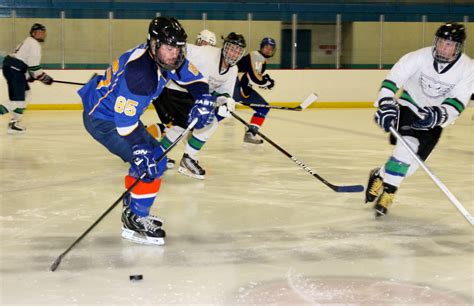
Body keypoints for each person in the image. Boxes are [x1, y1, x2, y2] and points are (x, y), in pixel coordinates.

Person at [78, 17, 215, 245]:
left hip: (118, 116)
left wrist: (203, 98)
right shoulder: (142, 74)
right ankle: (134, 220)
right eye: (170, 48)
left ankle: (133, 206)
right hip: (104, 121)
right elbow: (124, 123)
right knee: (152, 162)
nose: (175, 54)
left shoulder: (167, 57)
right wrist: (140, 149)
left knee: (155, 160)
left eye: (179, 48)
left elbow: (195, 79)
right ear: (154, 44)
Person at [367, 22, 473, 217]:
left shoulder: (467, 69)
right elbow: (393, 80)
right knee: (406, 146)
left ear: (458, 47)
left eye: (449, 44)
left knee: (411, 166)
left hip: (434, 118)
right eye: (441, 42)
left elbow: (458, 101)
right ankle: (389, 193)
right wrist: (386, 104)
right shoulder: (417, 57)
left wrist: (440, 114)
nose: (443, 47)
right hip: (409, 106)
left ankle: (380, 174)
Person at [151, 32, 245, 180]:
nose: (234, 54)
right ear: (225, 47)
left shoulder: (233, 70)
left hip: (188, 96)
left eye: (238, 51)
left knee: (181, 126)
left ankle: (156, 156)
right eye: (232, 49)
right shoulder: (207, 53)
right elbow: (181, 48)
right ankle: (188, 158)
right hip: (173, 90)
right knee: (210, 122)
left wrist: (226, 101)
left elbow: (223, 93)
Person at [0, 23, 53, 134]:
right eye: (39, 32)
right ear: (33, 33)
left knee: (27, 94)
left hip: (14, 69)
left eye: (43, 32)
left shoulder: (28, 41)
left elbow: (24, 61)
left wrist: (29, 76)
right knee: (17, 101)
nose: (42, 34)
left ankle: (14, 123)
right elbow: (34, 67)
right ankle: (13, 124)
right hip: (15, 70)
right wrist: (44, 78)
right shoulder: (34, 44)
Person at [234, 37, 276, 144]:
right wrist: (267, 82)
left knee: (263, 108)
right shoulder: (257, 56)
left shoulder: (259, 58)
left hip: (241, 86)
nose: (268, 50)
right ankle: (250, 133)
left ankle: (250, 134)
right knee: (263, 107)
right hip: (237, 86)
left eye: (271, 48)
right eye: (266, 47)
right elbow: (255, 78)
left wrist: (264, 82)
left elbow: (252, 77)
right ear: (261, 47)